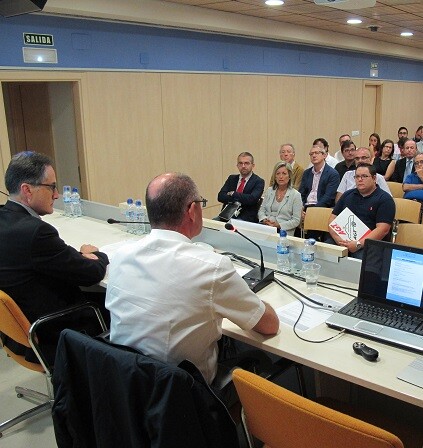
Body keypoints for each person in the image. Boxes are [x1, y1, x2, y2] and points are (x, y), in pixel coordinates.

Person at [106, 172, 279, 387]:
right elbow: (269, 325)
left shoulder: (121, 256)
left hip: (126, 387)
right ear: (191, 210)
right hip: (185, 398)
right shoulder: (212, 267)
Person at [0, 151, 109, 361]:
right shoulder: (36, 233)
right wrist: (96, 254)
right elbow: (91, 274)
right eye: (51, 187)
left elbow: (51, 259)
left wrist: (77, 255)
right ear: (27, 190)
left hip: (18, 335)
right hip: (54, 331)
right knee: (118, 303)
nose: (57, 195)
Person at [327, 164, 395, 260]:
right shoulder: (347, 195)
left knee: (360, 261)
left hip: (368, 244)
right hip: (342, 239)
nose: (360, 179)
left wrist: (358, 244)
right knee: (326, 250)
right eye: (357, 176)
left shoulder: (385, 199)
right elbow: (332, 219)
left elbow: (383, 229)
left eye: (364, 176)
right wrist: (338, 240)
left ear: (374, 178)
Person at [217, 152, 265, 222]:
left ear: (253, 165)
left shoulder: (258, 181)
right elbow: (220, 196)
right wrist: (241, 199)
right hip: (226, 216)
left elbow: (252, 199)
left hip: (245, 218)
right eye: (240, 163)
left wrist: (233, 194)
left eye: (246, 163)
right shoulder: (231, 178)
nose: (243, 166)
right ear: (237, 165)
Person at [259, 161, 302, 235]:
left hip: (284, 232)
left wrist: (278, 225)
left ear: (289, 176)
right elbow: (261, 211)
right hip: (266, 228)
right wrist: (264, 220)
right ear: (275, 177)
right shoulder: (269, 191)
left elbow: (296, 220)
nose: (280, 176)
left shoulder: (295, 195)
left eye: (284, 173)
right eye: (278, 173)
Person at [299, 145, 339, 209]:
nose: (314, 156)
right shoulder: (306, 173)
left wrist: (313, 210)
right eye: (311, 154)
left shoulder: (333, 174)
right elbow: (301, 194)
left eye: (317, 153)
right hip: (306, 207)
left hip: (322, 208)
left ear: (324, 155)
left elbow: (328, 197)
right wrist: (301, 207)